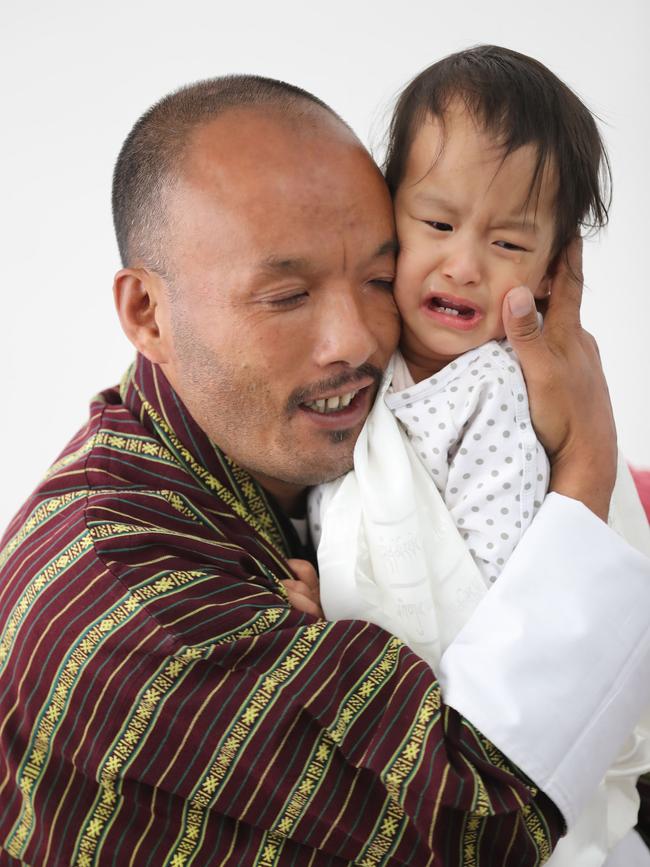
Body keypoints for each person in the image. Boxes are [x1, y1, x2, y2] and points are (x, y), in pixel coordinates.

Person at [0, 74, 649, 867]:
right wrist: (587, 467)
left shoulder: (280, 452)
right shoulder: (143, 608)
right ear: (146, 313)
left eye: (379, 278)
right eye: (286, 295)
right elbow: (475, 829)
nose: (353, 338)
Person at [304, 48, 650, 864]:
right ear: (388, 212)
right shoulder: (372, 360)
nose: (463, 263)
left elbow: (494, 604)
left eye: (506, 242)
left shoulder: (498, 391)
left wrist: (337, 619)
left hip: (496, 749)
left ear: (555, 269)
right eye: (436, 223)